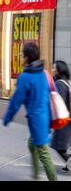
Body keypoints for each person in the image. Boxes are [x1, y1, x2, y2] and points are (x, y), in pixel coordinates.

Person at [2, 42, 57, 181]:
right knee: (32, 144)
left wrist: (7, 117)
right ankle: (36, 175)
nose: (20, 56)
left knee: (44, 154)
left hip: (37, 119)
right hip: (45, 116)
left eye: (22, 54)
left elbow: (16, 101)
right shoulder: (43, 73)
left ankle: (44, 177)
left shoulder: (25, 77)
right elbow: (49, 94)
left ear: (26, 58)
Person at [50, 61, 71, 174]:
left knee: (59, 145)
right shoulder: (68, 81)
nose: (52, 69)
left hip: (65, 120)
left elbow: (60, 103)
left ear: (58, 70)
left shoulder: (59, 83)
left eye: (54, 67)